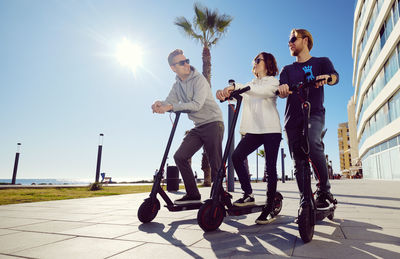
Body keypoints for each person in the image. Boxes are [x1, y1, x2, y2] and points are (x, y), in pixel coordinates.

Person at [216, 52, 281, 224]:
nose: (255, 62)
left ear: (267, 64)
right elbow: (244, 89)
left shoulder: (273, 82)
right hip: (254, 131)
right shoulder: (250, 84)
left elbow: (258, 92)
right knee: (237, 156)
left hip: (271, 129)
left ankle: (269, 206)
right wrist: (227, 90)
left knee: (271, 167)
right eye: (254, 60)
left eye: (258, 60)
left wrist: (238, 87)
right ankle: (248, 194)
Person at [152, 49, 224, 205]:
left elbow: (196, 105)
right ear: (173, 68)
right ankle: (192, 194)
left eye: (187, 61)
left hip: (213, 122)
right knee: (180, 156)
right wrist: (159, 104)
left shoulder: (199, 79)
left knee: (215, 162)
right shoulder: (177, 85)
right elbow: (168, 102)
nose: (186, 64)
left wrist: (171, 106)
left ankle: (219, 198)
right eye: (182, 63)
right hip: (198, 126)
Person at [277, 29, 339, 209]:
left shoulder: (321, 62)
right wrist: (282, 90)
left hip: (314, 113)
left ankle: (324, 190)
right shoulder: (287, 69)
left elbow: (335, 77)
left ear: (305, 40)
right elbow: (283, 89)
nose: (289, 43)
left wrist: (327, 78)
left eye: (292, 39)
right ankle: (305, 199)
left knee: (312, 142)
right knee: (298, 160)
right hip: (292, 119)